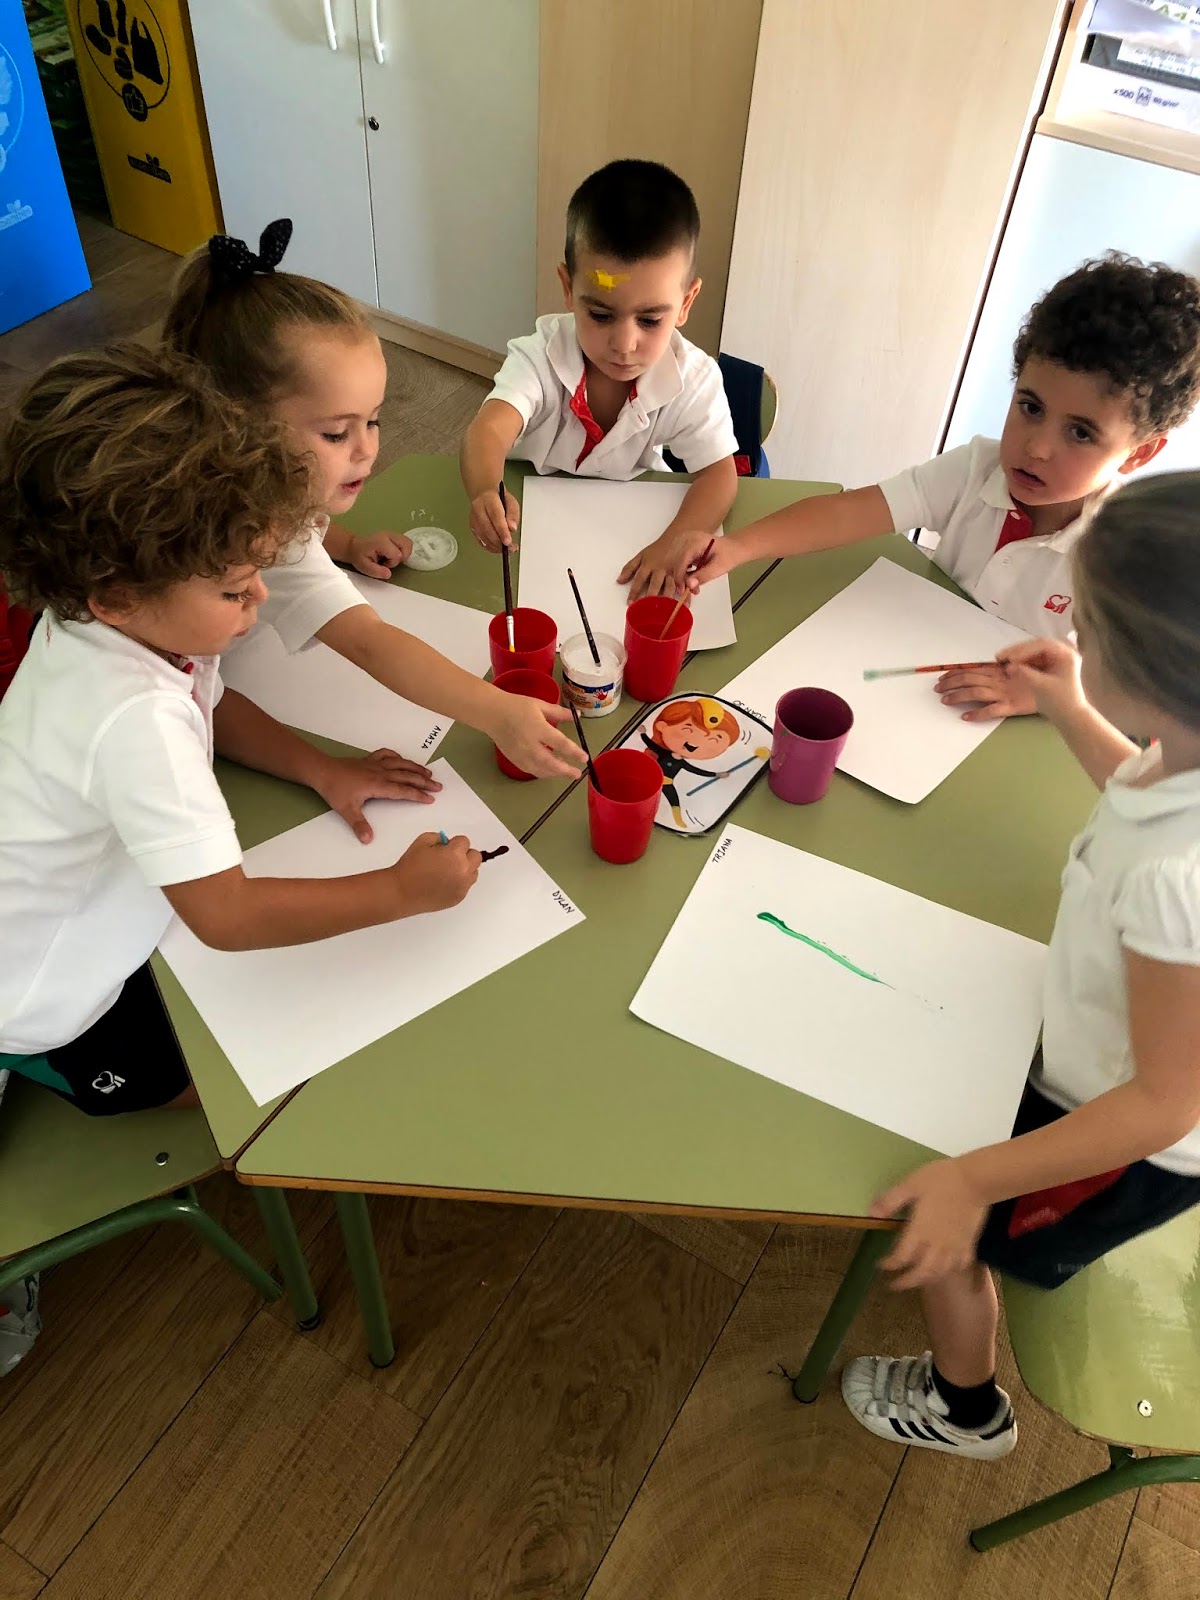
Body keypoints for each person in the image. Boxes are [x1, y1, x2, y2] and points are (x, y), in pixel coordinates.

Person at [0, 347, 484, 1118]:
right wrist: (400, 891)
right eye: (233, 589)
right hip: (42, 991)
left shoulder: (106, 617)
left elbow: (212, 705)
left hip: (105, 891)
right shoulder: (133, 721)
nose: (261, 595)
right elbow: (226, 915)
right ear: (118, 594)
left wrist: (321, 767)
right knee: (222, 1089)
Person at [840, 470, 1200, 1460]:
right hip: (1109, 1049)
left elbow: (1163, 1105)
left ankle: (966, 1407)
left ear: (1150, 674)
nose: (1072, 633)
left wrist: (973, 1178)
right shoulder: (1182, 754)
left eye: (1088, 627)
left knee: (953, 1229)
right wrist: (1069, 703)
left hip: (1120, 1141)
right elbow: (1136, 784)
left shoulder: (1176, 879)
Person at [632, 255, 1200, 719]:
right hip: (916, 686)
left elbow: (1139, 699)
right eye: (1030, 407)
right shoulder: (976, 469)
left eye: (1081, 433)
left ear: (1140, 453)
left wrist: (1049, 698)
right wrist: (737, 547)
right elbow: (851, 512)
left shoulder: (1129, 557)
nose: (1037, 448)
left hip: (1023, 727)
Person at [161, 221, 584, 784]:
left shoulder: (261, 496)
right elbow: (365, 643)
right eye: (337, 433)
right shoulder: (196, 551)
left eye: (375, 420)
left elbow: (296, 541)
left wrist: (345, 543)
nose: (367, 450)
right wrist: (496, 713)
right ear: (237, 428)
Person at [460, 159, 738, 563]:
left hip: (627, 525)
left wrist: (675, 541)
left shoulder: (693, 378)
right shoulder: (539, 356)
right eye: (600, 315)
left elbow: (719, 476)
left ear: (686, 302)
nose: (624, 344)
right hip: (531, 518)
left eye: (650, 320)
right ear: (568, 288)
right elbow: (487, 430)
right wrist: (486, 489)